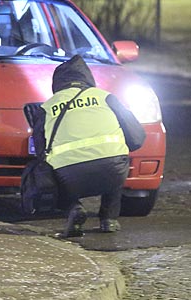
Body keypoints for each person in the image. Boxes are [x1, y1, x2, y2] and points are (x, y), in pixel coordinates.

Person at [31, 55, 146, 237]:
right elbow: (137, 137)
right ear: (87, 77)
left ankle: (73, 208)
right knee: (115, 158)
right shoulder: (106, 98)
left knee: (48, 171)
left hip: (69, 177)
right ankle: (109, 219)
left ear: (57, 83)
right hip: (112, 172)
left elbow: (39, 150)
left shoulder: (47, 107)